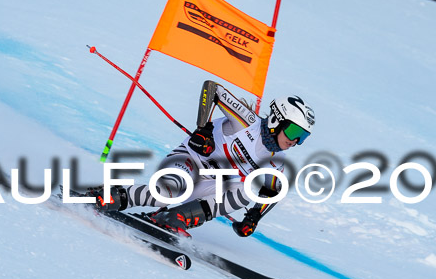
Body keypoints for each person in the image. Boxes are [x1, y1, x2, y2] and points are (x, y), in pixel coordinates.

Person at [89, 80, 315, 237]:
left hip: (209, 185)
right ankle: (110, 196)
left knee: (245, 192)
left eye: (302, 137)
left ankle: (173, 218)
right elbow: (213, 89)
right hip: (189, 162)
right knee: (165, 194)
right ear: (277, 120)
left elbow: (272, 192)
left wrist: (254, 217)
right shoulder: (247, 121)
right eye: (294, 132)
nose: (295, 141)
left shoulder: (276, 162)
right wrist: (203, 130)